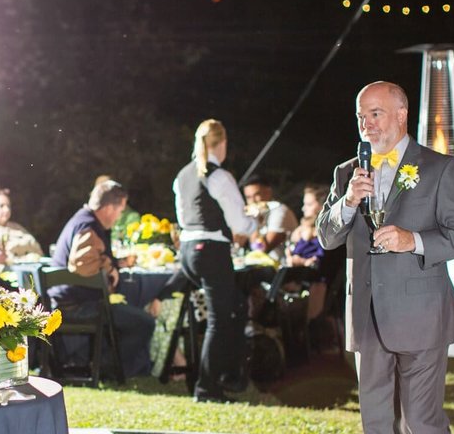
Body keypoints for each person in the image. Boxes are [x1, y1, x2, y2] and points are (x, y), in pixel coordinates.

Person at [315, 81, 454, 434]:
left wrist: (415, 241)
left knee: (418, 420)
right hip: (367, 316)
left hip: (422, 313)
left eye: (376, 114)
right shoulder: (348, 170)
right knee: (375, 421)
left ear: (402, 114)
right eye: (361, 116)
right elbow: (327, 237)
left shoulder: (440, 168)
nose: (368, 124)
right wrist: (347, 202)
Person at [173, 119, 258, 403]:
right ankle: (207, 387)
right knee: (221, 318)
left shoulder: (183, 175)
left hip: (188, 250)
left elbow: (185, 217)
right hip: (209, 250)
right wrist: (256, 219)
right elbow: (240, 225)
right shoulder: (219, 176)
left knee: (233, 306)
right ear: (222, 144)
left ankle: (229, 375)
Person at [48, 180, 155, 378]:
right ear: (108, 208)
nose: (119, 216)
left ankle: (101, 366)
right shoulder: (87, 227)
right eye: (120, 211)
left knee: (129, 313)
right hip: (75, 306)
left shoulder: (83, 220)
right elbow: (81, 262)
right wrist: (108, 266)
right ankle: (105, 369)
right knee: (144, 322)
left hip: (69, 301)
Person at [242, 175, 298, 263]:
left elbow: (262, 249)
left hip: (281, 269)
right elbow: (237, 242)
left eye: (256, 195)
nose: (252, 201)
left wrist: (254, 221)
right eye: (248, 197)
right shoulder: (259, 214)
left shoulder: (279, 211)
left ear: (268, 192)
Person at [0, 187, 44, 261]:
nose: (7, 210)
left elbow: (37, 248)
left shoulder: (17, 227)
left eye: (8, 206)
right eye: (1, 206)